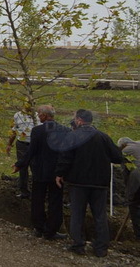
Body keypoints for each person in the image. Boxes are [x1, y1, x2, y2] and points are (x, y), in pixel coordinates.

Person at [55, 109, 124, 257]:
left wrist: (59, 174)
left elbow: (65, 158)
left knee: (77, 214)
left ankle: (78, 245)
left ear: (79, 120)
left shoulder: (73, 136)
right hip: (100, 183)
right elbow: (118, 157)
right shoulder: (103, 137)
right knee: (100, 215)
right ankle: (101, 248)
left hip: (78, 182)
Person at [13, 105, 67, 240]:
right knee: (55, 202)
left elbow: (31, 151)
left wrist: (20, 164)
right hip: (57, 173)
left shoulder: (37, 131)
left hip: (40, 171)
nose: (37, 116)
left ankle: (39, 227)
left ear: (44, 115)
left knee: (38, 200)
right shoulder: (64, 130)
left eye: (39, 114)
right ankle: (51, 231)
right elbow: (66, 153)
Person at [6, 107, 38, 199]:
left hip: (34, 145)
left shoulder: (37, 117)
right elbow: (14, 130)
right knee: (22, 168)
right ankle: (24, 192)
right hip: (22, 145)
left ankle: (36, 192)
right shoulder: (17, 115)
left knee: (35, 167)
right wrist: (9, 144)